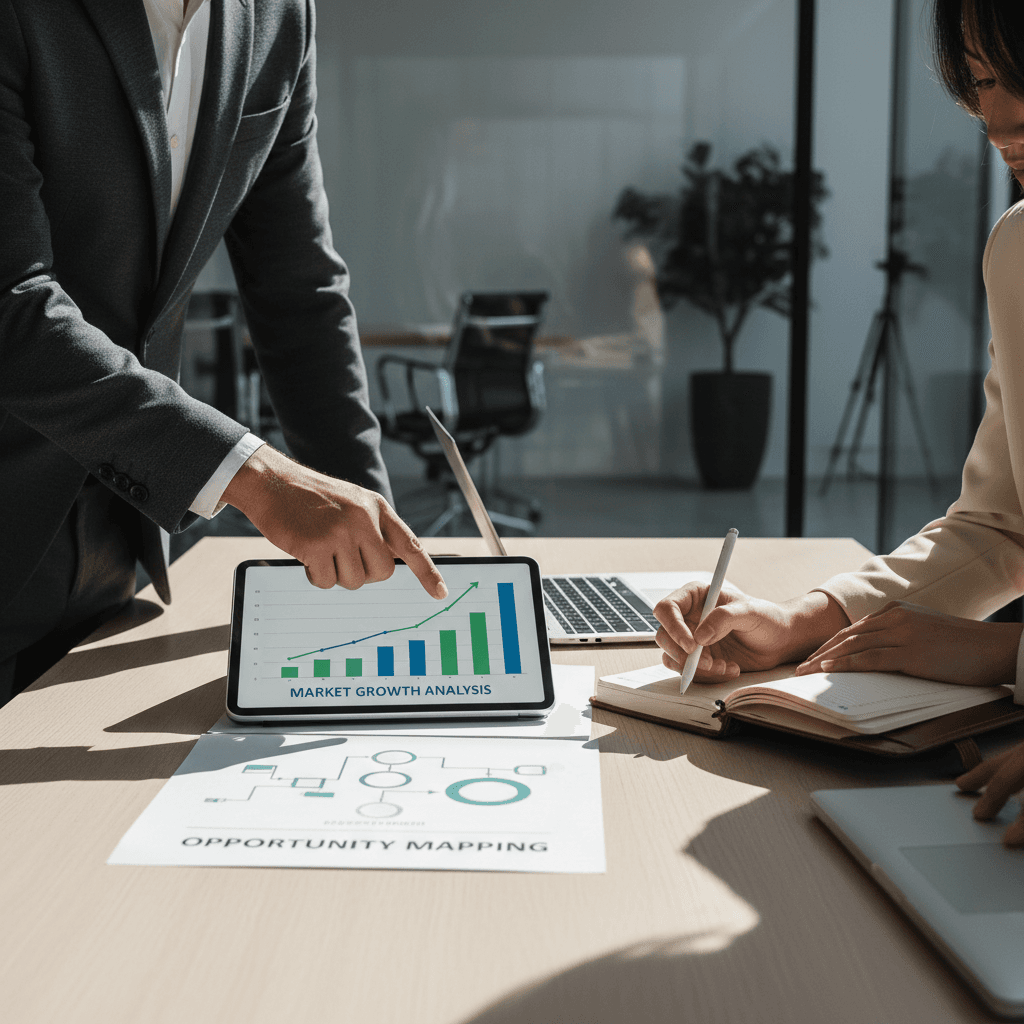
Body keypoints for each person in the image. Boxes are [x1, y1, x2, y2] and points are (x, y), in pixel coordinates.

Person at [0, 0, 447, 705]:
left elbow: (298, 291)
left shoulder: (277, 17)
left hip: (125, 538)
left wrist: (372, 539)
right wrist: (255, 476)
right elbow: (9, 304)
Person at [653, 0, 1024, 846]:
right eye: (985, 81)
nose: (1001, 123)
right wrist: (805, 621)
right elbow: (1002, 527)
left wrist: (1005, 658)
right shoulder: (1019, 251)